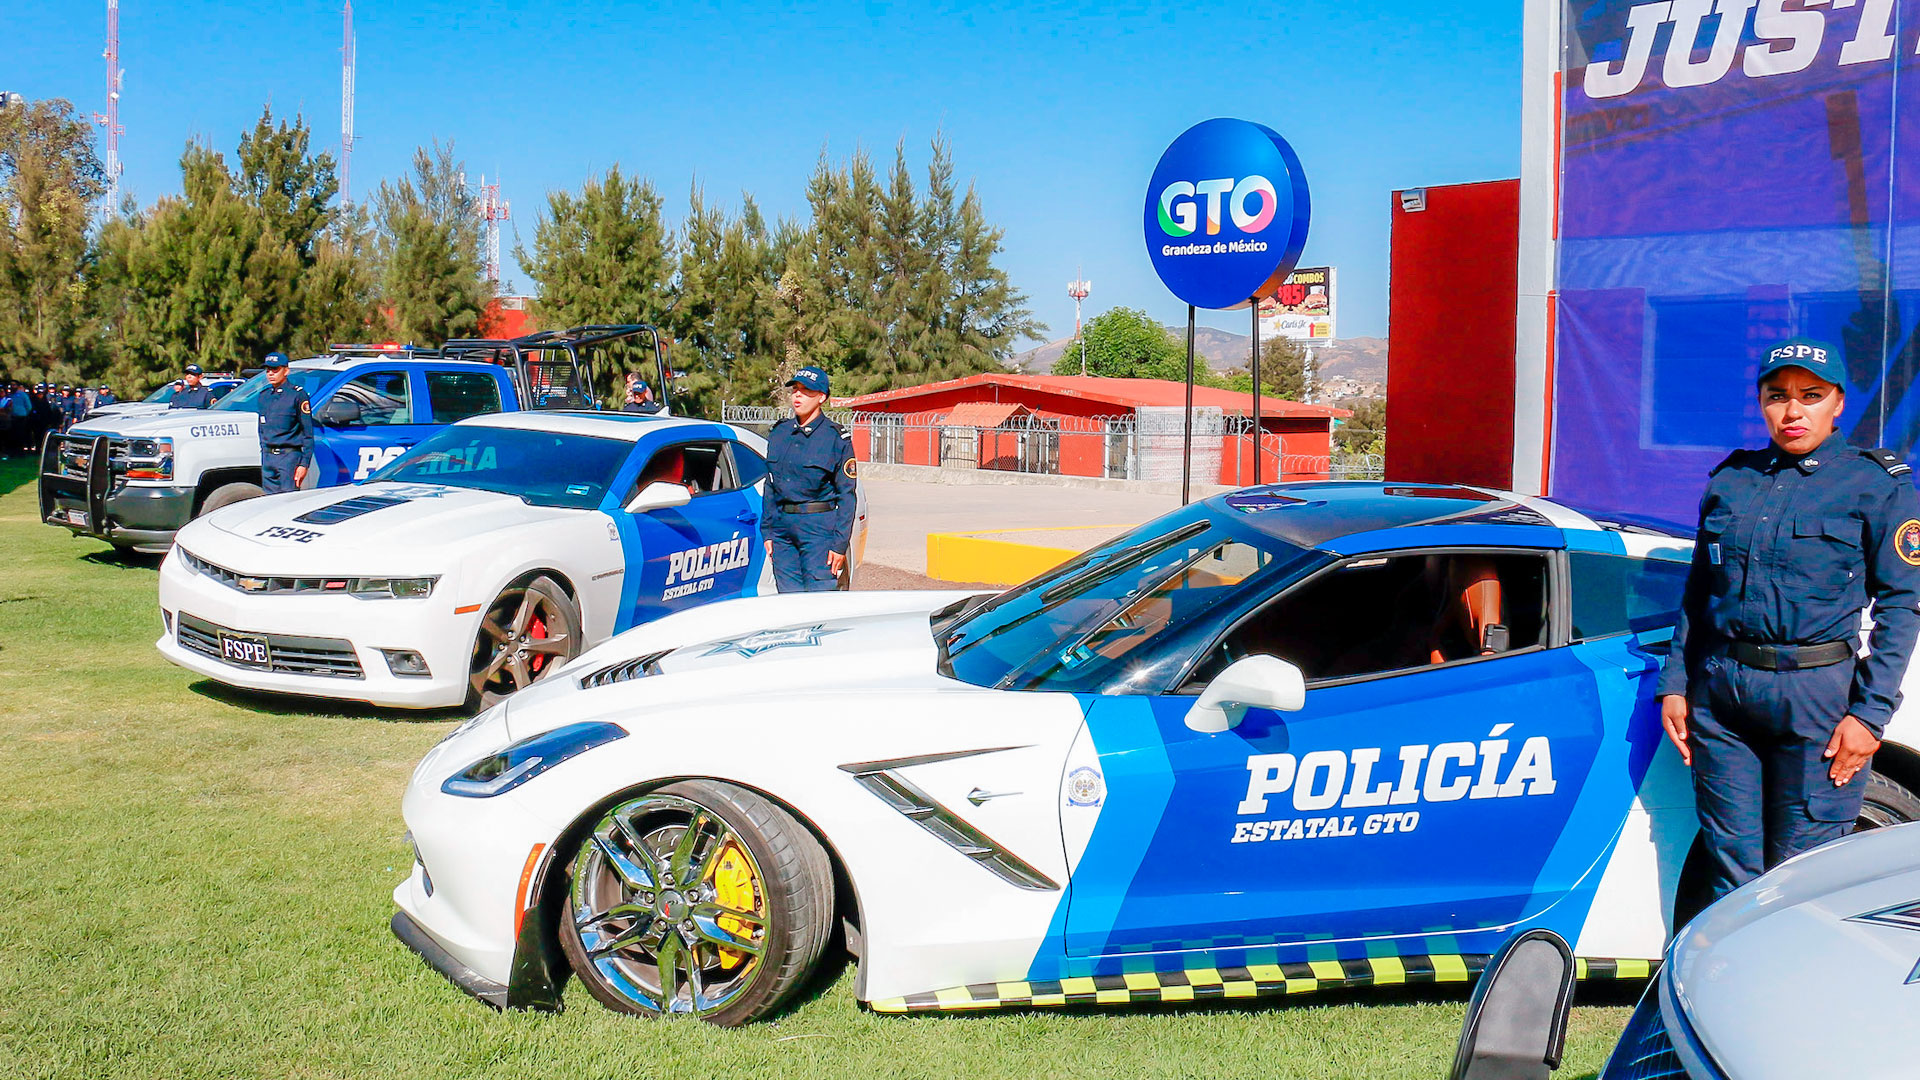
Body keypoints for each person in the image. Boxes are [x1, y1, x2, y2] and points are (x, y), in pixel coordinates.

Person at [1660, 337, 1920, 928]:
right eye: (1777, 397)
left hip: (1817, 699)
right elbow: (1700, 592)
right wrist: (1676, 682)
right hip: (1723, 695)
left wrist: (1870, 714)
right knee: (1731, 869)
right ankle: (1733, 998)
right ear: (1761, 403)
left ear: (1837, 405)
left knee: (1805, 873)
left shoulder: (1875, 485)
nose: (1792, 411)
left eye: (1810, 395)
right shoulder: (1733, 480)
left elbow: (1905, 606)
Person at [763, 366, 856, 592]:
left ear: (821, 397)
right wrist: (767, 531)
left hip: (819, 529)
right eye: (795, 390)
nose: (798, 396)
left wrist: (839, 544)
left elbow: (847, 495)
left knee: (819, 599)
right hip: (783, 530)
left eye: (806, 391)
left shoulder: (835, 438)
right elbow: (771, 486)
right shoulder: (779, 433)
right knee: (789, 599)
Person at [255, 353, 312, 493]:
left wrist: (304, 464)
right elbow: (262, 429)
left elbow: (308, 433)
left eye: (275, 370)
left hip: (288, 458)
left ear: (286, 371)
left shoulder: (297, 395)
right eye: (268, 370)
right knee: (270, 503)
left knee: (288, 502)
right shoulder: (264, 396)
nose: (270, 374)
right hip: (268, 458)